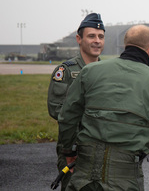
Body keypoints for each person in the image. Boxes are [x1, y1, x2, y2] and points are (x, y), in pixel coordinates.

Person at [57, 24, 149, 191]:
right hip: (124, 177)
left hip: (83, 173)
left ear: (126, 46)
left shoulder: (89, 71)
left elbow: (67, 116)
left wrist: (68, 152)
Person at [47, 13, 105, 191]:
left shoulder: (107, 72)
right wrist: (69, 151)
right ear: (79, 39)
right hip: (74, 147)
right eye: (91, 36)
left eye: (101, 36)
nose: (97, 41)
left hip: (103, 148)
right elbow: (57, 109)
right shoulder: (66, 71)